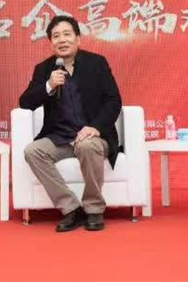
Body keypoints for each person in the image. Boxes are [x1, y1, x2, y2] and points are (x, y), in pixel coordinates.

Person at [19, 15, 122, 232]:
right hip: (61, 137)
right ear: (51, 42)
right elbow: (25, 102)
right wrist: (48, 85)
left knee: (87, 145)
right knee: (32, 152)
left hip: (92, 136)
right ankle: (72, 209)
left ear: (78, 39)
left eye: (67, 34)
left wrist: (96, 127)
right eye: (56, 36)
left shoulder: (97, 63)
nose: (62, 40)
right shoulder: (44, 69)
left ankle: (94, 209)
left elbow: (113, 100)